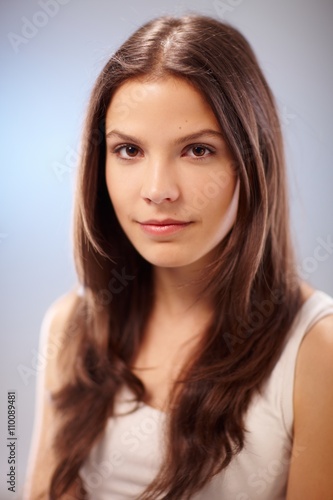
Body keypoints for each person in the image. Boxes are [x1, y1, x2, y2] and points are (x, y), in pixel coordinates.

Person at [24, 14, 333, 500]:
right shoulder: (72, 326)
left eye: (197, 150)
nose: (157, 190)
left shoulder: (316, 350)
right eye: (128, 149)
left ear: (251, 161)